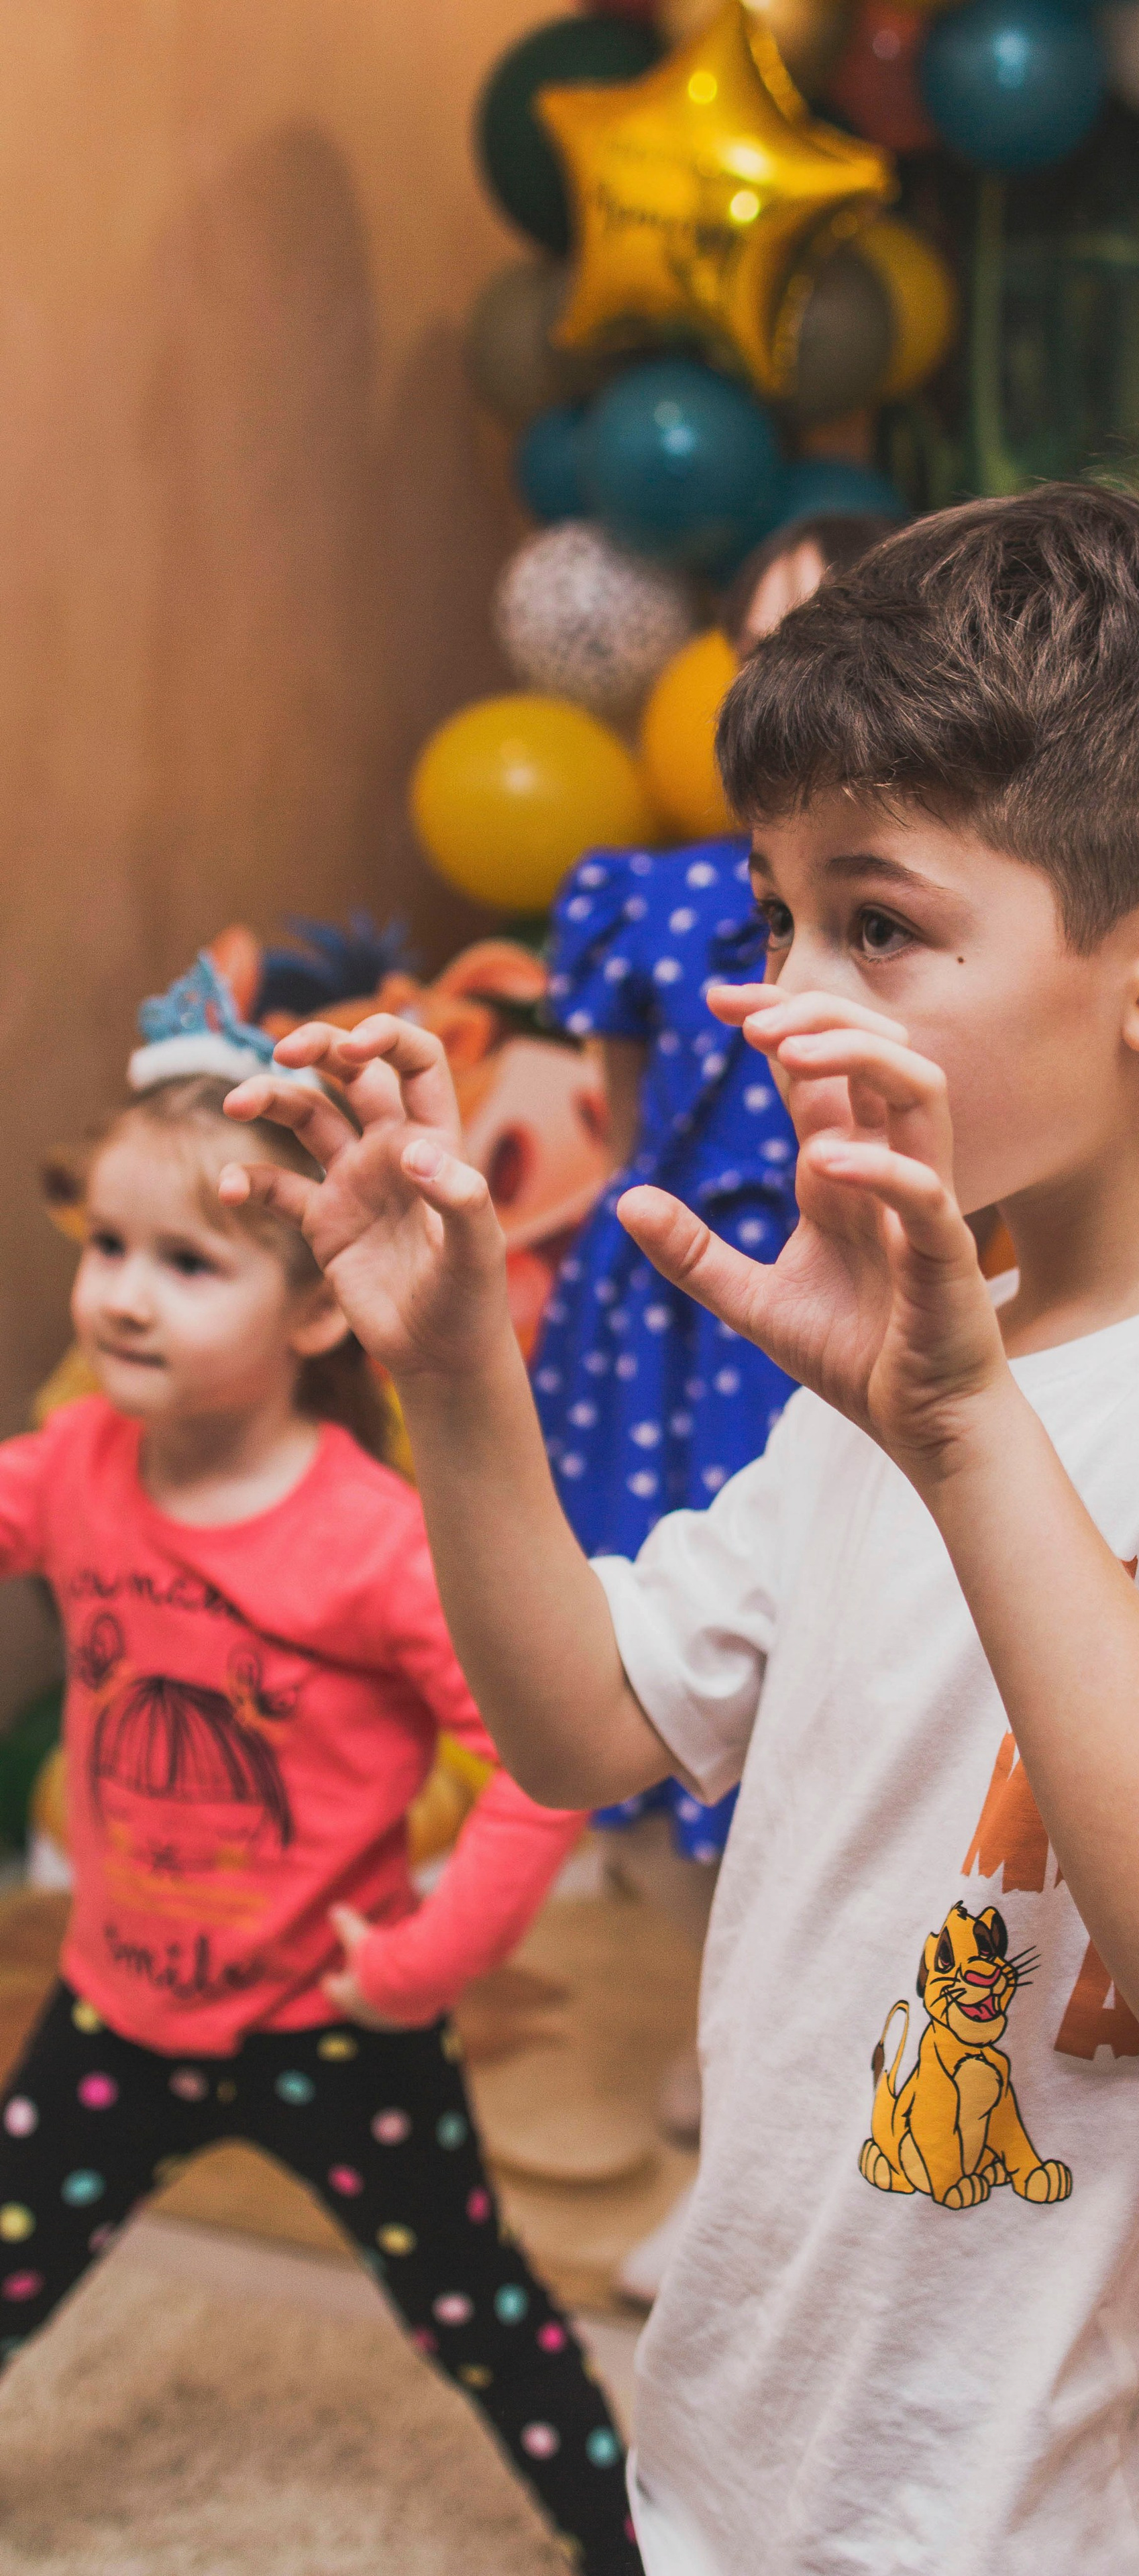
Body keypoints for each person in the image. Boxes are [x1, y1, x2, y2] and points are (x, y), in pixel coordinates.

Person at [223, 482, 1139, 2576]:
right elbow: (583, 1727)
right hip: (749, 2463)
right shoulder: (928, 1347)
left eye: (877, 925)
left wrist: (963, 1436)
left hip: (1049, 2528)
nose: (776, 1000)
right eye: (772, 916)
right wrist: (451, 1370)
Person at [0, 959, 639, 2575]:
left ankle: (631, 2544)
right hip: (115, 2011)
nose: (123, 1296)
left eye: (187, 1263)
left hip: (335, 2029)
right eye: (109, 1249)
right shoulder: (75, 1465)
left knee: (476, 2310)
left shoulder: (377, 1543)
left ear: (309, 1313)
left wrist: (429, 1956)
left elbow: (540, 1764)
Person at [528, 511, 900, 2269]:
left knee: (809, 1715)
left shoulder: (932, 921)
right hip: (656, 1319)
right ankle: (715, 2042)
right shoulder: (652, 895)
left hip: (833, 1312)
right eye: (769, 647)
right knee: (649, 1680)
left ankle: (769, 2109)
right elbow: (622, 1123)